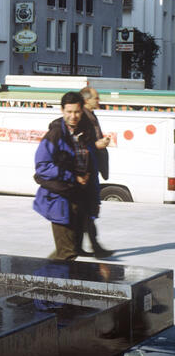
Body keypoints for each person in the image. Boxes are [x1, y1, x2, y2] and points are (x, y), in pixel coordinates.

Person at [33, 92, 100, 261]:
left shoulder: (86, 133)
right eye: (69, 112)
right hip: (60, 199)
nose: (73, 116)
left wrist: (95, 197)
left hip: (80, 198)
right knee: (68, 254)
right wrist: (72, 177)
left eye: (77, 112)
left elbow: (92, 165)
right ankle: (47, 283)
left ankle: (43, 278)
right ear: (62, 110)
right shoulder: (55, 135)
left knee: (70, 251)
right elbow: (42, 167)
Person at [77, 86, 114, 258]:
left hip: (92, 167)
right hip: (85, 170)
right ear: (86, 100)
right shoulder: (81, 116)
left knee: (87, 209)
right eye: (96, 98)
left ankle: (80, 247)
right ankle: (94, 246)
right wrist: (96, 145)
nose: (99, 101)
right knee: (88, 208)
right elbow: (78, 144)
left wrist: (100, 142)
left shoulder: (91, 115)